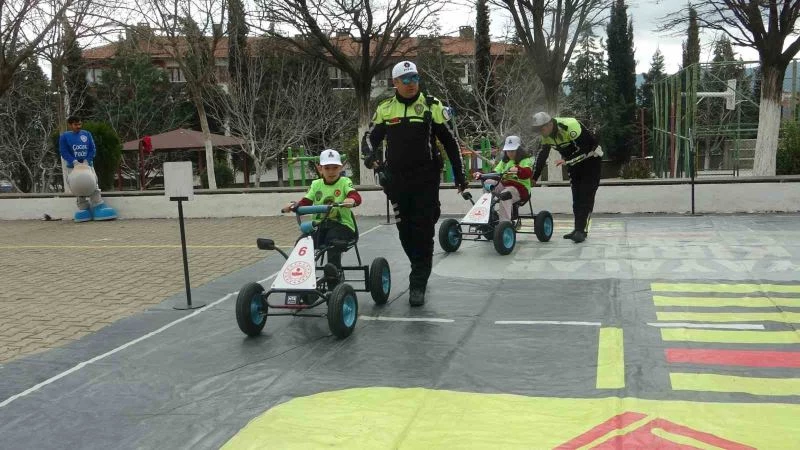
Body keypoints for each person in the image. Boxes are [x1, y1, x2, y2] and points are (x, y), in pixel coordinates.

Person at [362, 60, 467, 307]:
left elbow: (451, 143)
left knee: (422, 230)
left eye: (415, 78)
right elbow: (369, 139)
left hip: (425, 178)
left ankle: (418, 282)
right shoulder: (386, 109)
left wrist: (460, 176)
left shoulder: (432, 106)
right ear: (395, 83)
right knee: (405, 232)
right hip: (396, 181)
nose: (412, 84)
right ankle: (418, 262)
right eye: (406, 80)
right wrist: (372, 158)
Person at [281, 149, 361, 274]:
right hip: (320, 226)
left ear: (341, 168)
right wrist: (293, 205)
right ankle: (303, 276)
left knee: (332, 240)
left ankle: (334, 275)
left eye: (335, 167)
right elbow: (305, 201)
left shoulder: (345, 182)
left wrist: (351, 199)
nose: (331, 171)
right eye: (327, 168)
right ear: (320, 169)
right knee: (303, 242)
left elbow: (355, 195)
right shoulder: (316, 184)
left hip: (342, 226)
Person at [531, 112, 601, 243]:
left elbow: (586, 147)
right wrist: (534, 177)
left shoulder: (570, 125)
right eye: (538, 130)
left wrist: (567, 160)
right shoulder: (545, 137)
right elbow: (541, 157)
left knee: (586, 195)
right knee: (576, 197)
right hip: (573, 162)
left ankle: (582, 231)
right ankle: (577, 229)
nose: (541, 132)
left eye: (542, 128)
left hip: (591, 159)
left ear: (550, 123)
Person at [59, 116, 118, 222]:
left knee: (93, 183)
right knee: (77, 187)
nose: (78, 126)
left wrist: (87, 159)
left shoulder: (86, 134)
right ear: (70, 125)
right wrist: (73, 161)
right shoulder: (65, 137)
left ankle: (98, 205)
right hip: (73, 167)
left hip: (88, 165)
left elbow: (92, 148)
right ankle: (83, 208)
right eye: (76, 124)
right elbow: (64, 151)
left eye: (80, 124)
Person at [472, 135, 533, 224]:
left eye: (513, 151)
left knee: (505, 194)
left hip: (520, 188)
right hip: (504, 185)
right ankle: (489, 214)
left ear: (519, 150)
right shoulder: (504, 162)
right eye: (508, 151)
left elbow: (528, 173)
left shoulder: (525, 160)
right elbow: (494, 173)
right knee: (488, 183)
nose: (510, 153)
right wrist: (482, 175)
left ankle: (505, 223)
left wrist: (518, 170)